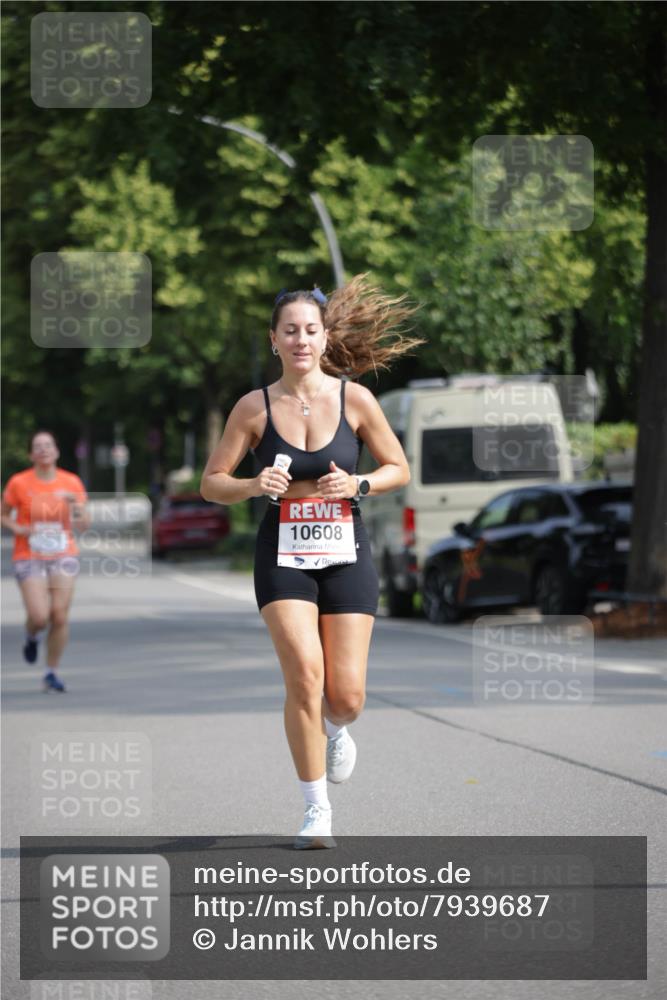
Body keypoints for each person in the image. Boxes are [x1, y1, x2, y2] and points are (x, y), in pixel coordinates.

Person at [201, 274, 422, 848]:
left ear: (325, 338)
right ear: (273, 339)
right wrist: (253, 485)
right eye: (290, 331)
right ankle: (315, 808)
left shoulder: (356, 400)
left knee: (345, 696)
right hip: (283, 554)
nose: (301, 340)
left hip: (346, 551)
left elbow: (398, 469)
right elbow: (212, 482)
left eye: (310, 330)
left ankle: (337, 729)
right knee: (304, 674)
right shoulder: (253, 407)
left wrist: (359, 484)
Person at [1, 430, 89, 692]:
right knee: (40, 617)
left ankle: (51, 672)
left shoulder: (71, 482)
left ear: (57, 451)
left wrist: (75, 504)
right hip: (29, 554)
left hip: (63, 553)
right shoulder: (19, 482)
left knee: (59, 615)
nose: (43, 450)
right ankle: (31, 636)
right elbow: (3, 514)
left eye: (48, 445)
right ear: (31, 454)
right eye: (38, 446)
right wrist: (18, 528)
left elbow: (84, 525)